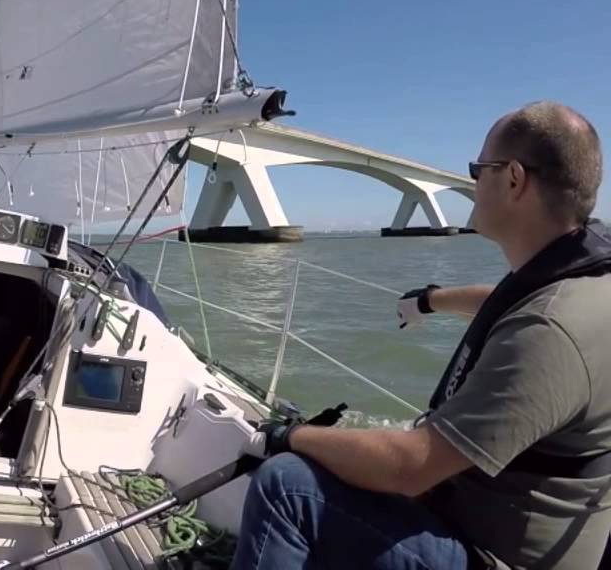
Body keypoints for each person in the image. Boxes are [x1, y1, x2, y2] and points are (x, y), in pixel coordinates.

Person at [231, 101, 611, 570]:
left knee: (286, 485)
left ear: (513, 178)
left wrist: (290, 436)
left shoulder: (547, 332)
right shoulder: (582, 282)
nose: (472, 183)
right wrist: (433, 298)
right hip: (501, 521)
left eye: (478, 169)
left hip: (493, 553)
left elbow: (411, 468)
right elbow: (507, 300)